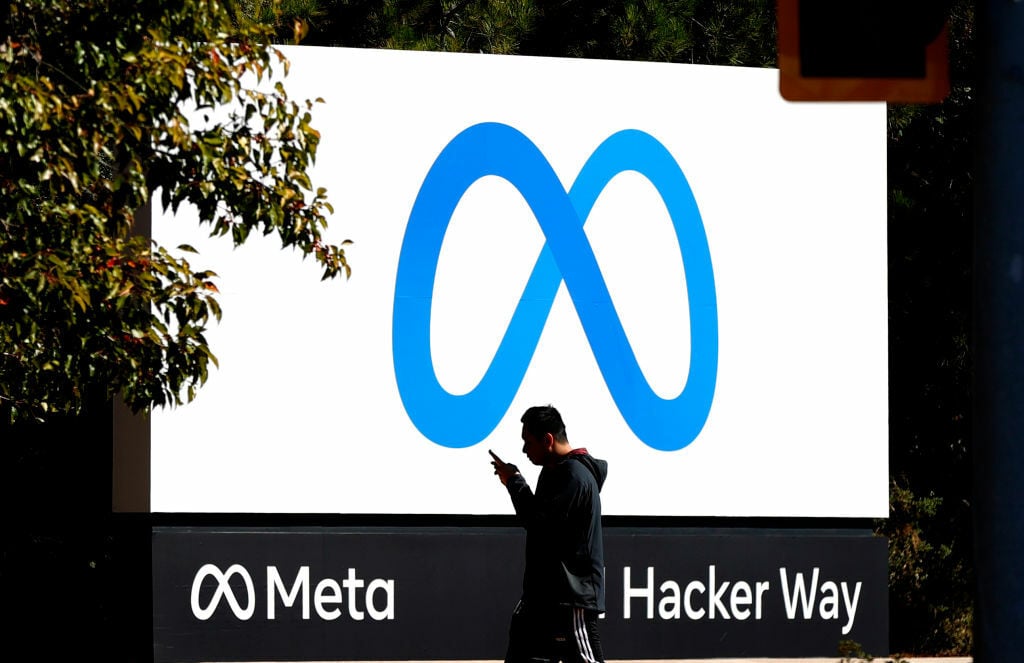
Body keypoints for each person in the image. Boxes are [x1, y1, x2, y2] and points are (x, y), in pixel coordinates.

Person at [490, 405, 608, 663]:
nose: (524, 450)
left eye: (528, 442)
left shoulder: (575, 477)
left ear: (548, 440)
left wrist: (514, 482)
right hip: (543, 596)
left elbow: (538, 523)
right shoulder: (555, 471)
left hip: (572, 598)